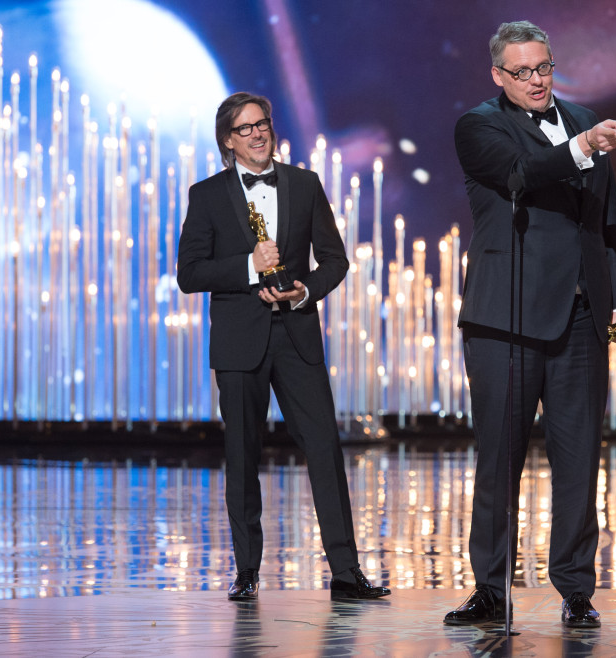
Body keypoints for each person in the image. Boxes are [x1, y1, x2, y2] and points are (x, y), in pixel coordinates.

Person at [444, 21, 616, 628]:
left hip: (580, 319)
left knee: (579, 460)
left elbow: (607, 223)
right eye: (522, 71)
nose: (536, 80)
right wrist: (583, 149)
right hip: (505, 319)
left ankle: (577, 589)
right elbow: (523, 172)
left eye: (543, 67)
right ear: (499, 76)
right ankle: (491, 588)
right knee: (499, 458)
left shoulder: (584, 119)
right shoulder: (479, 126)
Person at [177, 92, 390, 602]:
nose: (257, 133)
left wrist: (304, 291)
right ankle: (247, 573)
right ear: (228, 141)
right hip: (239, 341)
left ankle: (345, 573)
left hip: (295, 334)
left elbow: (335, 260)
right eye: (245, 128)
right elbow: (189, 274)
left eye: (263, 124)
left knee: (325, 451)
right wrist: (249, 265)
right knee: (243, 453)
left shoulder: (304, 184)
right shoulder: (206, 195)